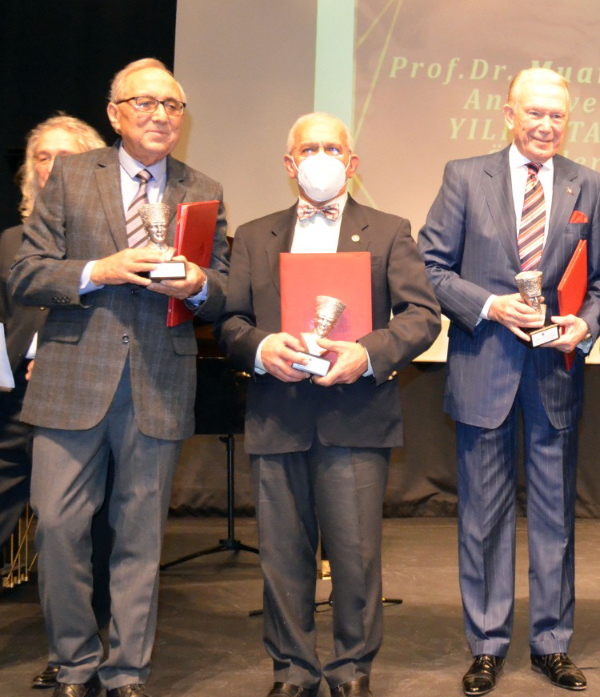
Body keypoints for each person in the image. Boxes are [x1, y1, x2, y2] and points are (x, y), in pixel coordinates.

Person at [10, 58, 230, 697]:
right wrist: (97, 269)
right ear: (114, 113)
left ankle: (128, 670)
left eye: (172, 106)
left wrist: (198, 286)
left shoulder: (203, 188)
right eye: (146, 104)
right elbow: (26, 273)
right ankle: (74, 662)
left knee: (139, 537)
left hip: (158, 381)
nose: (160, 116)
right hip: (71, 380)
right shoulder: (74, 176)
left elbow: (221, 288)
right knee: (56, 525)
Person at [216, 113, 440, 697]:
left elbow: (421, 316)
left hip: (356, 415)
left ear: (352, 162)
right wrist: (262, 348)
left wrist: (365, 354)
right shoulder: (253, 233)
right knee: (283, 561)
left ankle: (351, 670)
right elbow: (230, 322)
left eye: (332, 148)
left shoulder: (390, 230)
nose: (321, 157)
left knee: (356, 557)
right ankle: (292, 670)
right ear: (290, 164)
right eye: (308, 149)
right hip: (277, 412)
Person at [418, 67, 600, 696]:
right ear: (509, 113)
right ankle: (487, 644)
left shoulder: (591, 184)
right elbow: (431, 266)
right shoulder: (463, 176)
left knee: (556, 516)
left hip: (554, 370)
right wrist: (491, 305)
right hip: (485, 367)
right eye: (536, 114)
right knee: (483, 516)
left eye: (558, 115)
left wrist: (583, 326)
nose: (547, 125)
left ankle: (552, 644)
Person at [1, 114, 109, 692]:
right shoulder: (9, 243)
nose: (50, 167)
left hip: (85, 405)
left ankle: (78, 650)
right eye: (41, 157)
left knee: (81, 531)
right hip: (15, 406)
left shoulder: (109, 239)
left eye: (63, 157)